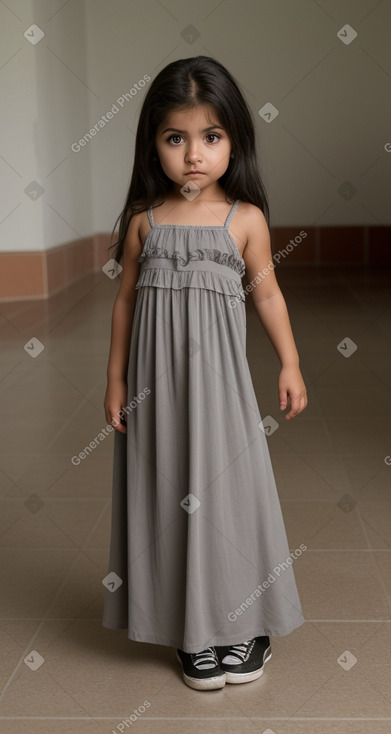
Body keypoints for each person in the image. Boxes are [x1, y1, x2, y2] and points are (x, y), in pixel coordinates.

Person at [102, 55, 308, 692]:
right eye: (176, 137)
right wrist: (114, 381)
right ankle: (191, 632)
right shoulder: (145, 221)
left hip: (221, 393)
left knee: (230, 500)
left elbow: (268, 295)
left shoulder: (243, 220)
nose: (194, 154)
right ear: (153, 144)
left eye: (211, 137)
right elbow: (127, 301)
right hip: (157, 392)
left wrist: (291, 362)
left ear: (234, 141)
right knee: (166, 499)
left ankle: (245, 625)